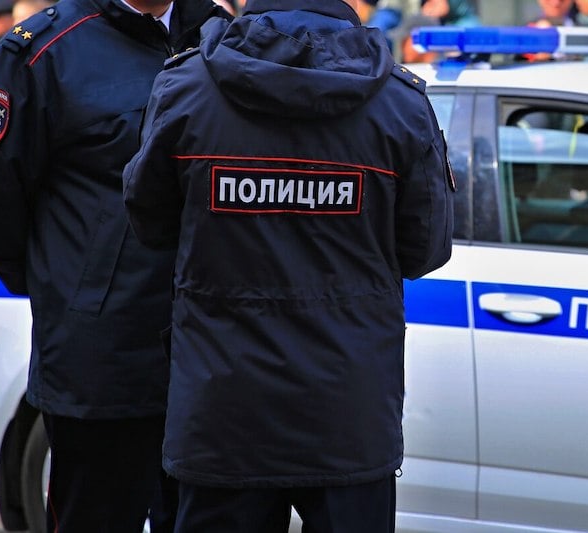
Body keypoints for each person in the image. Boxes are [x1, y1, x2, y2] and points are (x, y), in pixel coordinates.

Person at [122, 0, 454, 530]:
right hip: (347, 410)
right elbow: (425, 249)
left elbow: (150, 225)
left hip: (222, 407)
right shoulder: (399, 101)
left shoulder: (186, 88)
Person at [0, 0, 231, 530]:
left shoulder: (223, 37)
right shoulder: (45, 50)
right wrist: (72, 286)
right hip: (102, 366)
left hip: (215, 361)